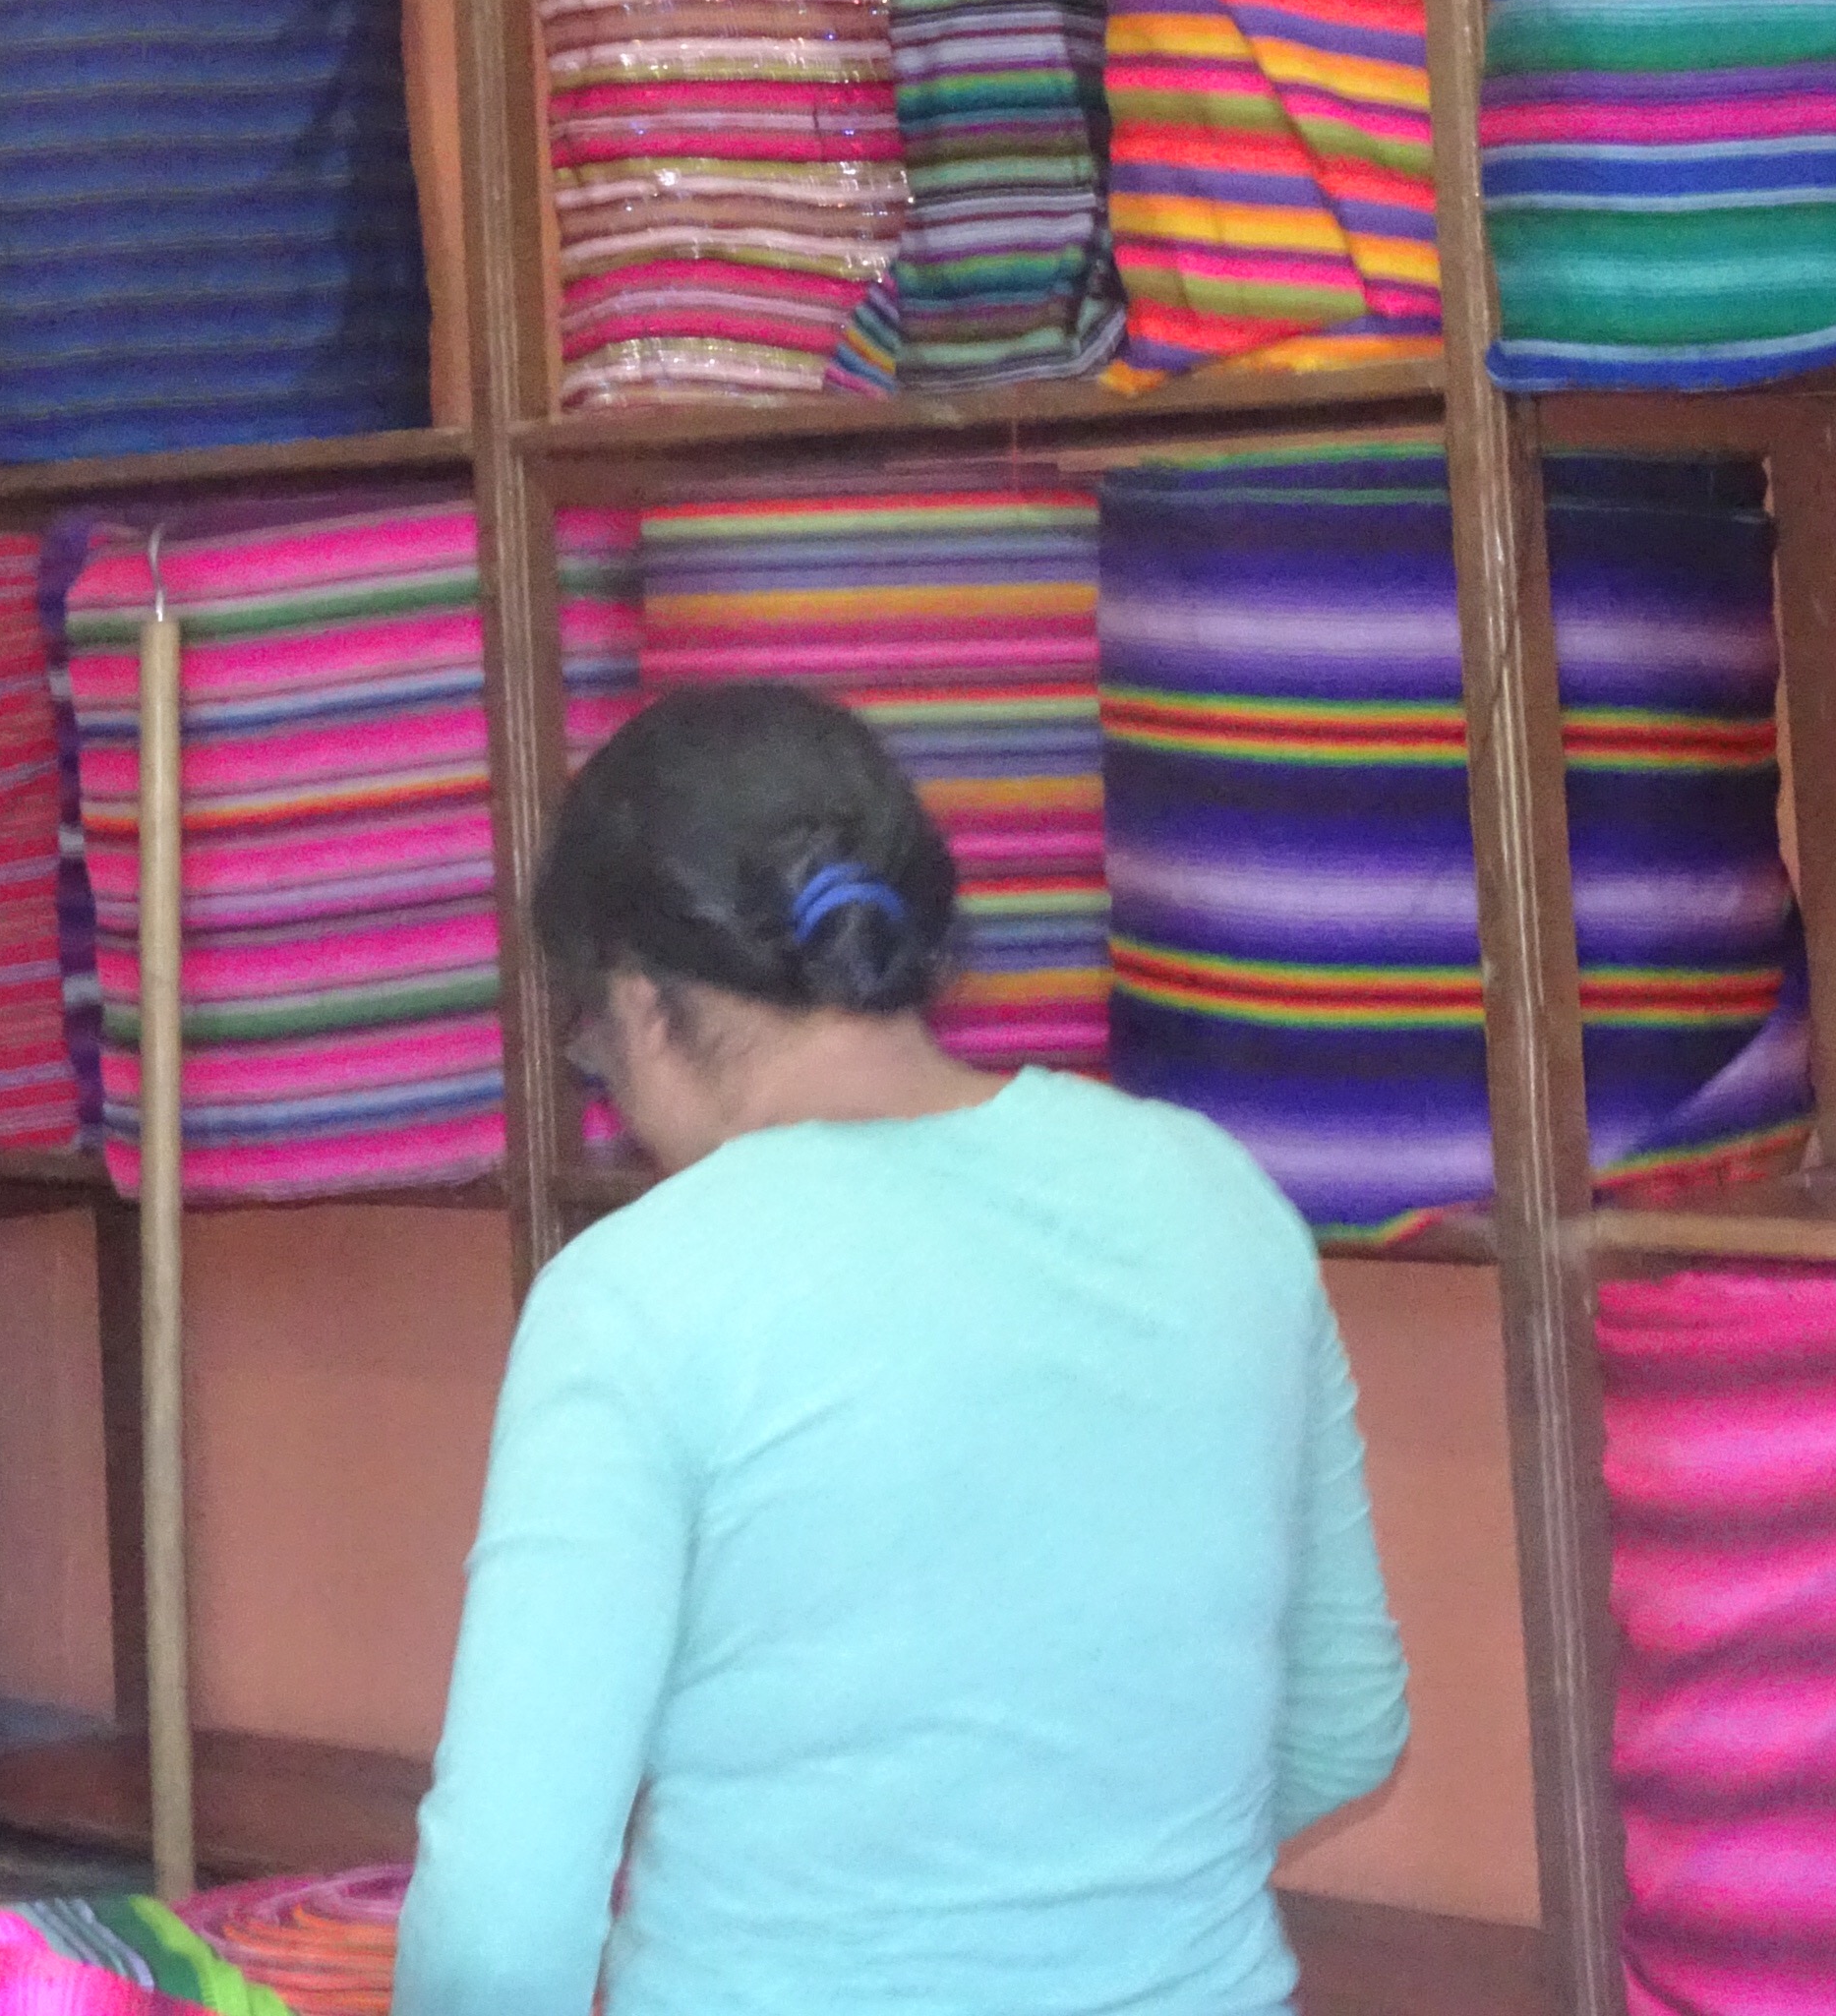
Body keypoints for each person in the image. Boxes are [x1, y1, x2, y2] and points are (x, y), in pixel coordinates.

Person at [395, 682, 1409, 2016]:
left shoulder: (641, 1295)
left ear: (640, 1002)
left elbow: (500, 1930)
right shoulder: (1217, 1198)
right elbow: (1344, 1723)